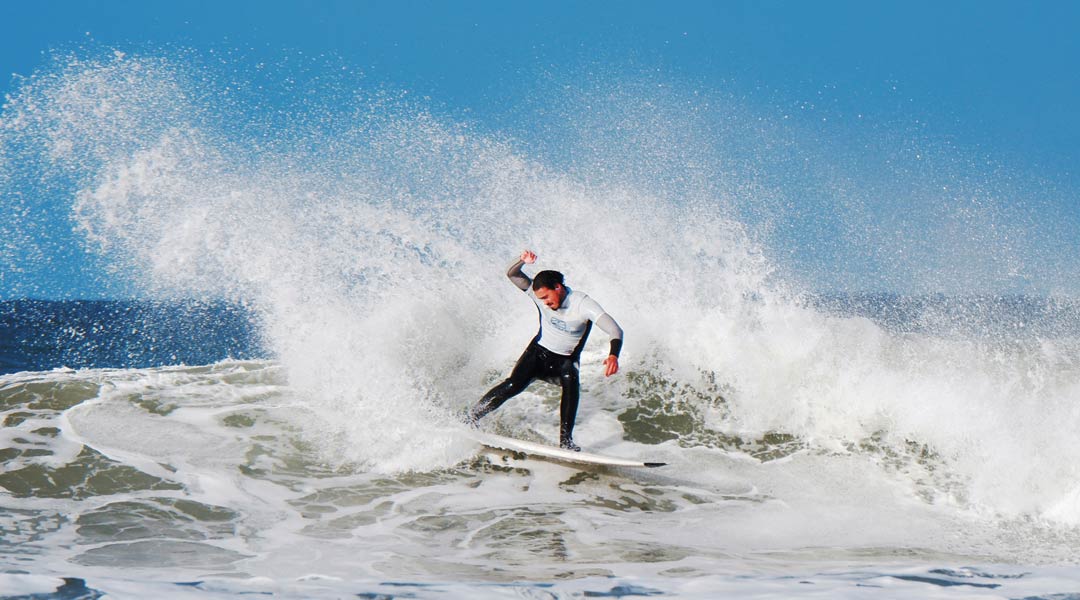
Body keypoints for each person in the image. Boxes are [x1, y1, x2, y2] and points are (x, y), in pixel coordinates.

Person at [467, 249, 624, 451]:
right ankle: (470, 418)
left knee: (571, 386)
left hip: (565, 361)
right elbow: (512, 274)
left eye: (547, 297)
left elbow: (614, 329)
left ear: (557, 287)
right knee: (513, 384)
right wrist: (521, 261)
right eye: (540, 299)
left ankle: (565, 442)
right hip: (538, 353)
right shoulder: (541, 296)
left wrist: (613, 355)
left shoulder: (583, 304)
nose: (545, 303)